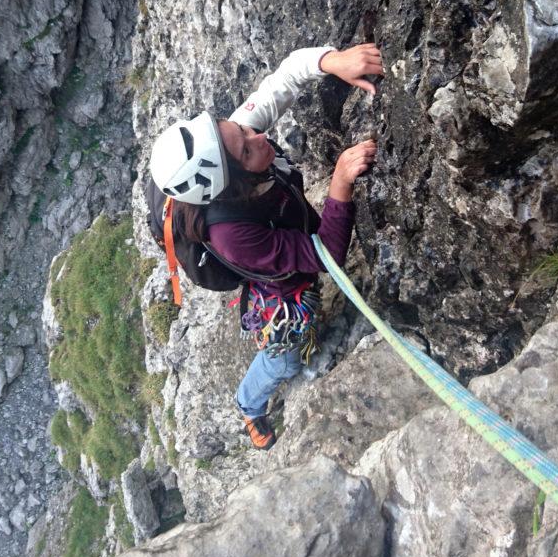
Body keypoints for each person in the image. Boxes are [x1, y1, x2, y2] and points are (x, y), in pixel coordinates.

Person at [149, 43, 383, 449]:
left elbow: (285, 78)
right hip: (272, 274)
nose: (256, 135)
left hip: (272, 234)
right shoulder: (231, 235)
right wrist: (340, 183)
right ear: (231, 181)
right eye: (245, 146)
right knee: (287, 356)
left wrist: (332, 62)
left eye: (240, 129)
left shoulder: (228, 149)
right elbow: (325, 254)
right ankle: (249, 404)